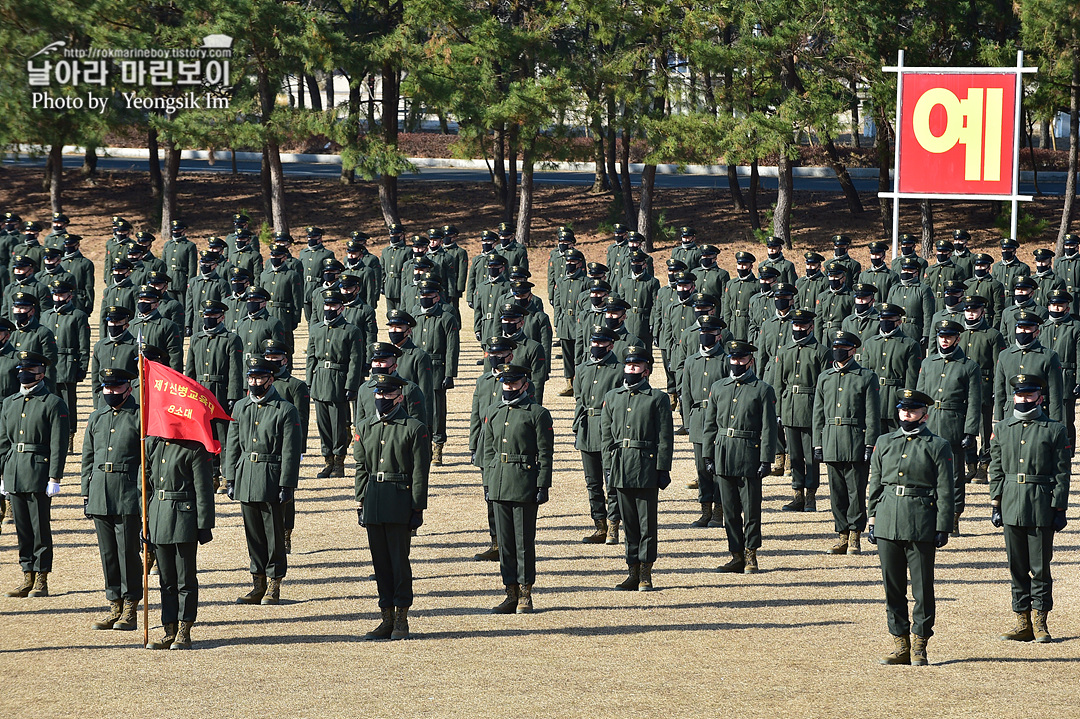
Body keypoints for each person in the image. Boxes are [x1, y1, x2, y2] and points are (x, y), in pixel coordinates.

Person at [867, 389, 955, 666]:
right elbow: (876, 483)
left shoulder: (937, 445)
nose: (907, 414)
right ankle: (900, 643)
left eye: (913, 410)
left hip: (921, 521)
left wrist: (943, 525)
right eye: (903, 410)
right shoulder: (885, 441)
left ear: (925, 415)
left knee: (922, 588)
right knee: (892, 588)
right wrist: (872, 519)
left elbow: (945, 488)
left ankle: (920, 643)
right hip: (888, 520)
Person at [989, 374, 1070, 644]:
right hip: (1012, 501)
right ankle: (1021, 621)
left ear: (1040, 397)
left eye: (1029, 395)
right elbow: (997, 468)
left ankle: (1040, 621)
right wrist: (995, 503)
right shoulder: (1003, 428)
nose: (1024, 399)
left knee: (1040, 566)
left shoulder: (1054, 429)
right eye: (1020, 395)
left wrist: (1059, 507)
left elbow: (1062, 472)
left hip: (1040, 503)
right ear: (1013, 396)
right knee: (1017, 566)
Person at [354, 373, 431, 640]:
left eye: (387, 394)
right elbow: (361, 468)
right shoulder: (365, 427)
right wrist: (360, 500)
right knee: (380, 563)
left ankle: (401, 618)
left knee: (399, 562)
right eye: (378, 394)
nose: (382, 399)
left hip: (400, 501)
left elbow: (420, 472)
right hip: (374, 500)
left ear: (399, 397)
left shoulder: (414, 428)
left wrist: (417, 508)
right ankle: (385, 616)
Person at [224, 357, 302, 606]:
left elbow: (290, 449)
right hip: (246, 474)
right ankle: (257, 583)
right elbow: (232, 444)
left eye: (259, 378)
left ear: (271, 379)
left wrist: (286, 484)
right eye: (251, 378)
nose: (254, 382)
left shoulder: (285, 409)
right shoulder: (241, 406)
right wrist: (230, 478)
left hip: (271, 476)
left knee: (274, 534)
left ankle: (274, 583)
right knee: (253, 534)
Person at [480, 364, 554, 614]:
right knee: (506, 542)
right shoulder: (494, 410)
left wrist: (542, 484)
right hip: (500, 482)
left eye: (513, 383)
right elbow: (489, 451)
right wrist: (489, 482)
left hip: (524, 483)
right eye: (505, 383)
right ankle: (509, 592)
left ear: (524, 384)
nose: (508, 387)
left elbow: (545, 453)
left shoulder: (537, 413)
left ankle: (525, 593)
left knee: (523, 542)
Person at [702, 340, 777, 573]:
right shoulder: (719, 387)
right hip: (724, 453)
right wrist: (707, 455)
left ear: (750, 361)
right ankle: (735, 554)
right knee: (730, 510)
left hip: (749, 454)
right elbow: (710, 424)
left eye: (741, 359)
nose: (736, 363)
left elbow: (768, 428)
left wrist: (766, 460)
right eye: (733, 359)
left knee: (752, 509)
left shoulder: (762, 389)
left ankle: (751, 553)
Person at [601, 346, 673, 590]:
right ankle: (632, 570)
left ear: (646, 370)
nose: (631, 369)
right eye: (628, 365)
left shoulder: (657, 398)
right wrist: (608, 468)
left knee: (646, 524)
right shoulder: (612, 397)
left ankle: (645, 572)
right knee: (629, 523)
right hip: (621, 465)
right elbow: (606, 437)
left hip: (645, 467)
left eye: (636, 366)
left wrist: (663, 469)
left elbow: (665, 436)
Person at [1, 351, 69, 598]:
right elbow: (2, 442)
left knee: (40, 528)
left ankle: (41, 577)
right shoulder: (10, 403)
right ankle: (26, 574)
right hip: (15, 470)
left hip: (39, 471)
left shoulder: (52, 403)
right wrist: (2, 475)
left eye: (29, 370)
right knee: (22, 528)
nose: (24, 374)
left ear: (41, 373)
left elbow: (58, 444)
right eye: (21, 369)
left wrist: (55, 478)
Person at [81, 368, 143, 633]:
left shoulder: (140, 416)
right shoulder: (97, 417)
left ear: (128, 388)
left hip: (128, 492)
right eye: (106, 388)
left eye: (116, 388)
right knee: (108, 554)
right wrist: (86, 492)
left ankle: (130, 606)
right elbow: (87, 458)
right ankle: (114, 604)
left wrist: (143, 495)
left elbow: (145, 461)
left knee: (127, 552)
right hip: (100, 491)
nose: (110, 393)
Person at [813, 331, 880, 555]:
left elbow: (872, 415)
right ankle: (841, 533)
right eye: (835, 346)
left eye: (843, 347)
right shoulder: (825, 377)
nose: (837, 350)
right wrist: (818, 444)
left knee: (856, 492)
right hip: (831, 439)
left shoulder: (865, 377)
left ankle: (854, 535)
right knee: (837, 493)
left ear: (853, 350)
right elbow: (818, 414)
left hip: (855, 441)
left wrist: (870, 444)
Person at [916, 320, 982, 536]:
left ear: (958, 338)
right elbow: (920, 395)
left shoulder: (969, 366)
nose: (944, 340)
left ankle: (953, 516)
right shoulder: (928, 363)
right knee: (926, 473)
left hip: (954, 425)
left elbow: (974, 401)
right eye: (941, 336)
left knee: (954, 476)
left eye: (949, 336)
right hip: (929, 423)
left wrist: (970, 431)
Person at [765, 309, 830, 512]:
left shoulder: (821, 351)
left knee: (810, 455)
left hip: (811, 408)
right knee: (794, 454)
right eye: (795, 325)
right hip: (790, 407)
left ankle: (811, 495)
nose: (798, 329)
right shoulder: (785, 351)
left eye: (802, 326)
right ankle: (797, 494)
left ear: (811, 327)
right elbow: (778, 383)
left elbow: (824, 385)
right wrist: (778, 411)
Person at [572, 326, 624, 544]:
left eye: (601, 343)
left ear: (611, 345)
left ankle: (614, 525)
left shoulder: (619, 369)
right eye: (594, 342)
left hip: (608, 430)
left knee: (612, 481)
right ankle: (599, 525)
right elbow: (579, 398)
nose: (596, 347)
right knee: (592, 483)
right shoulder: (583, 368)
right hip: (587, 429)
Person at [185, 300, 243, 487]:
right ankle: (210, 474)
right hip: (200, 393)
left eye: (212, 316)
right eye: (206, 315)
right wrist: (188, 394)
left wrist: (233, 396)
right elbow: (190, 371)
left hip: (221, 392)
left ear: (222, 317)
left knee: (224, 436)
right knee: (204, 435)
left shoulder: (231, 339)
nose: (208, 319)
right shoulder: (196, 339)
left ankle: (227, 474)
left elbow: (235, 371)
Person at [680, 315, 731, 529]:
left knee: (718, 467)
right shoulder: (692, 361)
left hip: (718, 420)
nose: (705, 336)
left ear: (718, 336)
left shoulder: (726, 360)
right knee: (702, 468)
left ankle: (720, 511)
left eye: (709, 333)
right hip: (699, 419)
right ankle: (705, 510)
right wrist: (687, 422)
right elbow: (686, 393)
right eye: (702, 332)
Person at [307, 290, 364, 478]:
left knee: (339, 425)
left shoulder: (351, 331)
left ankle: (339, 461)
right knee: (322, 424)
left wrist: (351, 386)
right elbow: (311, 358)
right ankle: (328, 460)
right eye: (327, 305)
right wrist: (309, 381)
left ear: (341, 308)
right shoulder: (316, 329)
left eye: (333, 306)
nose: (329, 309)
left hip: (339, 381)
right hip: (320, 380)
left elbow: (355, 361)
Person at [263, 339, 309, 554]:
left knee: (286, 493)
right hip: (264, 449)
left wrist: (299, 449)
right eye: (268, 358)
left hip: (285, 448)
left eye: (275, 358)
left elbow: (301, 419)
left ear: (285, 360)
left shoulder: (295, 385)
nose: (271, 361)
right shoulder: (261, 384)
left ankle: (286, 533)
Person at [412, 280, 460, 464]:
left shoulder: (446, 317)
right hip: (417, 369)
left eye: (428, 296)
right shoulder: (415, 315)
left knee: (437, 411)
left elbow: (452, 348)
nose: (424, 299)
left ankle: (437, 446)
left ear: (437, 297)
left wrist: (449, 374)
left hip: (437, 368)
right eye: (422, 295)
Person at [41, 279, 89, 453]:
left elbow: (83, 345)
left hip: (68, 366)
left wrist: (82, 367)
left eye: (61, 294)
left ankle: (69, 436)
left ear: (69, 296)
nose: (58, 297)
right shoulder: (46, 315)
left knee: (68, 404)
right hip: (48, 367)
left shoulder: (78, 316)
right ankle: (50, 436)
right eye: (55, 294)